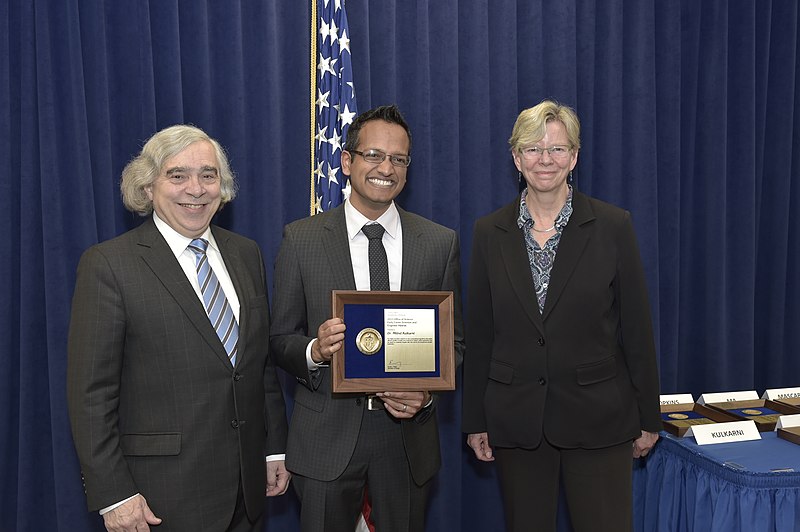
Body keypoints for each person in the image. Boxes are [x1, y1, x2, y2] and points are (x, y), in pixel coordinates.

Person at [66, 125, 290, 532]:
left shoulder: (246, 254)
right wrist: (114, 494)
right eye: (177, 175)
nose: (196, 188)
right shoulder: (109, 265)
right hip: (161, 499)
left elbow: (258, 366)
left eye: (208, 175)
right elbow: (90, 396)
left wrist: (274, 448)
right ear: (148, 186)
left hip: (248, 493)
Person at [462, 100, 661, 532]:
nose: (545, 159)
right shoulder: (488, 232)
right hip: (517, 422)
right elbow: (479, 334)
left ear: (574, 157)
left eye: (556, 149)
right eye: (533, 148)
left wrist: (648, 418)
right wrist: (475, 419)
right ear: (516, 158)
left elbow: (637, 330)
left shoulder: (613, 226)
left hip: (600, 420)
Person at [270, 104, 465, 532]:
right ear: (347, 162)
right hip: (326, 440)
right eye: (373, 155)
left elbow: (455, 345)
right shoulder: (301, 239)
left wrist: (427, 395)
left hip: (406, 442)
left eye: (398, 159)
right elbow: (280, 339)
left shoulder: (438, 243)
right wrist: (315, 350)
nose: (386, 168)